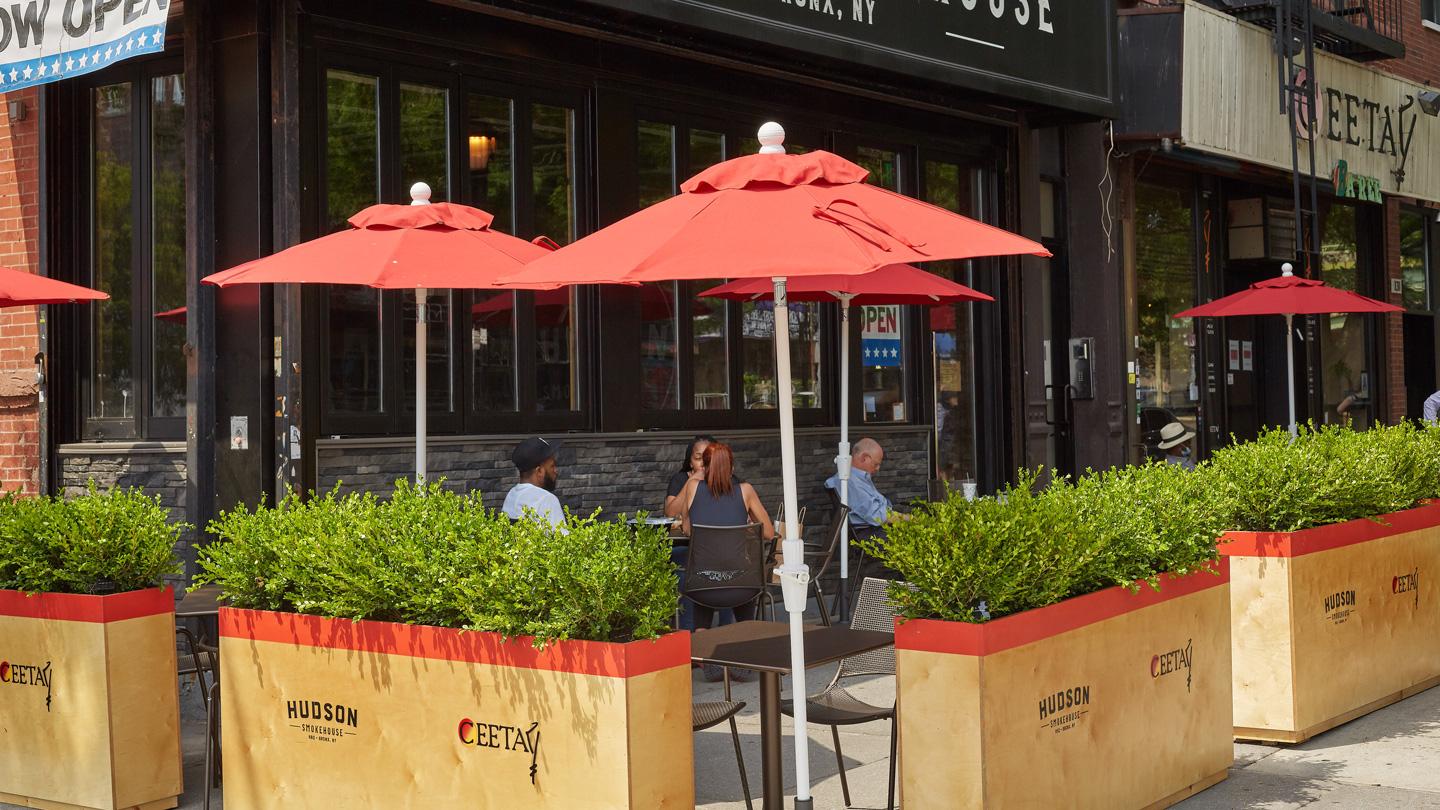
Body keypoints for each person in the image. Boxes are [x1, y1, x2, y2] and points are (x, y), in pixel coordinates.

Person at [680, 442, 775, 632]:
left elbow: (687, 529)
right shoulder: (745, 490)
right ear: (731, 468)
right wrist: (743, 527)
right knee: (740, 574)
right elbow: (769, 533)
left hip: (703, 588)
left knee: (704, 574)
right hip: (742, 587)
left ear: (704, 467)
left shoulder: (692, 487)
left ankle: (701, 644)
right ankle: (745, 639)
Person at [824, 437, 900, 538]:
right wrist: (909, 518)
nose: (878, 468)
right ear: (864, 458)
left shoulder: (856, 478)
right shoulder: (850, 481)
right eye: (876, 464)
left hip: (870, 529)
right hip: (869, 532)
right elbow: (878, 516)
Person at [502, 437, 565, 527]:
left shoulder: (511, 495)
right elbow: (563, 539)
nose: (556, 471)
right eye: (552, 466)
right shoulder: (546, 499)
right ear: (539, 471)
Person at [663, 435, 717, 519]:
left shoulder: (726, 480)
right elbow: (671, 514)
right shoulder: (679, 479)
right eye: (698, 458)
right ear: (690, 463)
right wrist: (691, 480)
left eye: (708, 457)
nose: (703, 463)